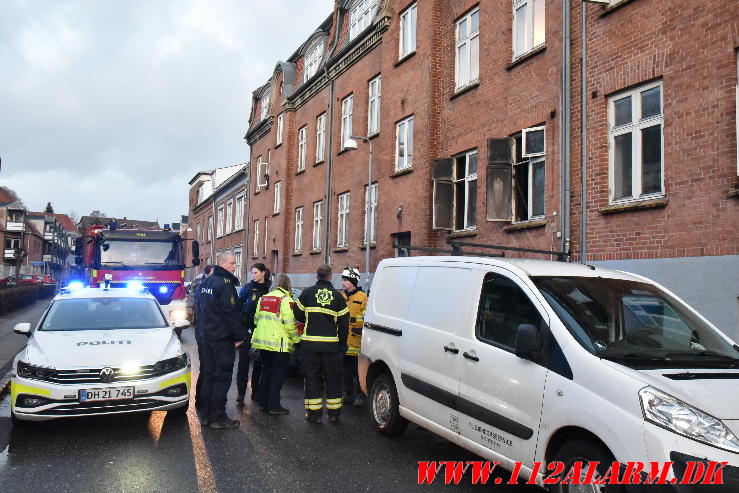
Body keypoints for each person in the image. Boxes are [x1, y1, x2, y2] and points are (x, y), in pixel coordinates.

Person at [293, 264, 349, 424]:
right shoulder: (338, 297)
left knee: (312, 379)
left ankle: (314, 414)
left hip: (310, 345)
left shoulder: (307, 293)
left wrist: (309, 319)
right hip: (331, 347)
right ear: (330, 277)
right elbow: (344, 325)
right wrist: (342, 345)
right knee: (333, 378)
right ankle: (334, 414)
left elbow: (297, 314)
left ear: (317, 276)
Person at [197, 252, 244, 429]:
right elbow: (230, 312)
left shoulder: (205, 282)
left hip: (206, 336)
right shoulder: (225, 284)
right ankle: (218, 416)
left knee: (208, 376)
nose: (234, 266)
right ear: (223, 263)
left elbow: (200, 310)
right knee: (222, 377)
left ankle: (206, 415)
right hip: (221, 338)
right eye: (232, 263)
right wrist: (239, 336)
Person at [251, 274, 300, 415]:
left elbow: (256, 320)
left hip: (263, 344)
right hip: (279, 345)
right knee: (278, 375)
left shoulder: (264, 298)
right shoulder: (286, 300)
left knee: (266, 372)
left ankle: (263, 402)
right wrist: (297, 341)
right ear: (287, 284)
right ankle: (274, 406)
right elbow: (291, 325)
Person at [236, 263, 271, 404]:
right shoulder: (248, 288)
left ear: (263, 273)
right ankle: (240, 393)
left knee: (258, 362)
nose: (253, 275)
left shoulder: (270, 289)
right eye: (252, 273)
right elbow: (238, 307)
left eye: (256, 272)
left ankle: (255, 391)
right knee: (243, 362)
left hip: (262, 331)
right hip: (246, 329)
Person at [340, 266, 368, 407]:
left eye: (345, 280)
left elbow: (366, 319)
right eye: (342, 280)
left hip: (358, 342)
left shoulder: (363, 298)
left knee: (359, 372)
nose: (343, 283)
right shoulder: (341, 296)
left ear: (353, 281)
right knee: (346, 371)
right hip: (344, 341)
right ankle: (347, 394)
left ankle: (360, 396)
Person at [193, 264, 214, 414]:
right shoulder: (203, 290)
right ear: (206, 274)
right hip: (203, 333)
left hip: (203, 331)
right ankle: (201, 400)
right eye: (213, 273)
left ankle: (201, 399)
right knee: (206, 368)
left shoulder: (204, 288)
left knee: (206, 367)